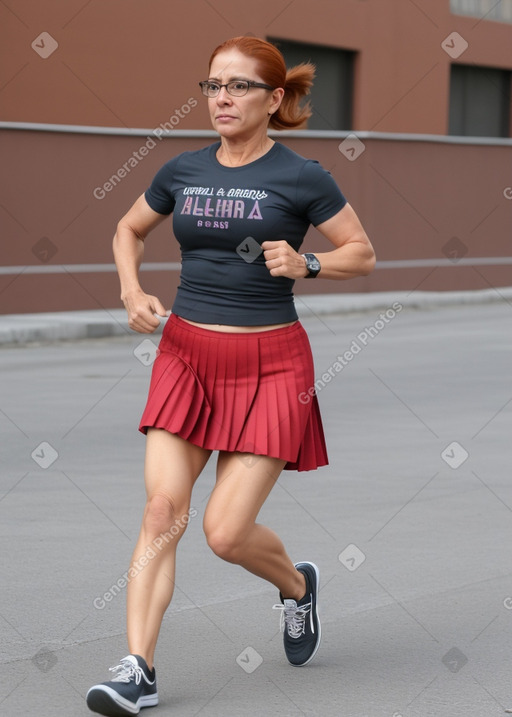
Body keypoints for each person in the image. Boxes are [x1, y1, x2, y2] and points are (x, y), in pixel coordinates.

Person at [86, 35, 375, 716]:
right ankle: (138, 668)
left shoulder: (304, 177)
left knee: (224, 532)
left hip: (271, 366)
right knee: (162, 511)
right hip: (186, 357)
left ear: (274, 99)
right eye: (213, 84)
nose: (222, 97)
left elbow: (361, 254)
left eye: (239, 86)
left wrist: (307, 265)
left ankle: (297, 587)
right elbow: (128, 230)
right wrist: (131, 290)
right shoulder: (182, 169)